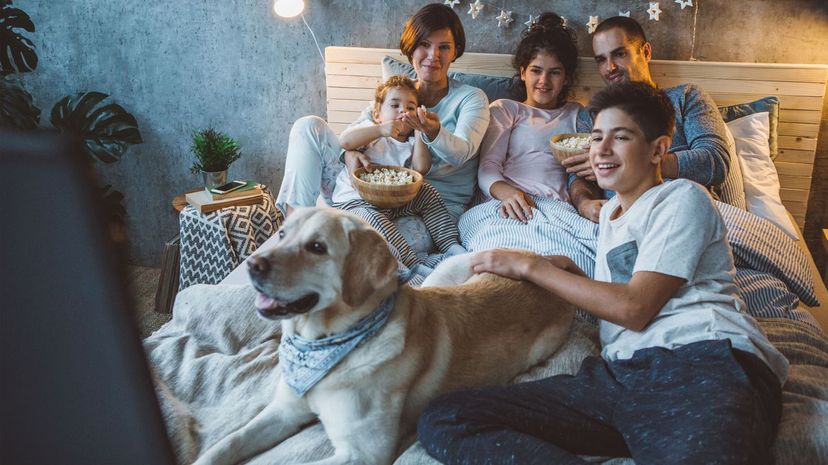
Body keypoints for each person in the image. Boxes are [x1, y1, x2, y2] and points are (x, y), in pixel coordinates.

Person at [417, 81, 788, 465]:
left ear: (659, 148)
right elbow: (621, 293)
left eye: (620, 137)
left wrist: (532, 266)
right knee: (447, 417)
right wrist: (572, 271)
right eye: (596, 138)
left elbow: (635, 307)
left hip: (700, 362)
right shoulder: (610, 216)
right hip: (621, 377)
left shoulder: (680, 198)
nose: (602, 151)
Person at [276, 3, 490, 225]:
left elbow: (461, 154)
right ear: (411, 47)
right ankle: (294, 225)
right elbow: (351, 136)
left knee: (369, 242)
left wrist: (433, 131)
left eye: (444, 47)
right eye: (424, 44)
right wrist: (347, 155)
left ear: (455, 50)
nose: (433, 55)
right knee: (308, 126)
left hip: (429, 207)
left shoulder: (471, 98)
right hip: (364, 191)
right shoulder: (397, 93)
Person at [565, 16, 743, 222]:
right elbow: (578, 173)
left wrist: (636, 162)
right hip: (624, 217)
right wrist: (584, 204)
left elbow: (715, 161)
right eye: (601, 60)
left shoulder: (686, 97)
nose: (609, 67)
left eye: (619, 54)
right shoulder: (592, 115)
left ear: (646, 52)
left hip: (688, 211)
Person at [331, 75, 464, 273]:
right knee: (375, 222)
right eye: (394, 105)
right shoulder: (371, 132)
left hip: (394, 201)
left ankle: (450, 245)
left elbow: (420, 168)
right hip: (356, 202)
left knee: (428, 192)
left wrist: (420, 131)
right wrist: (380, 129)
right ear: (377, 114)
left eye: (410, 108)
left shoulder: (409, 144)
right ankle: (413, 265)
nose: (403, 110)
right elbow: (345, 142)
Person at [476, 12, 582, 223]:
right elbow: (488, 166)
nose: (544, 80)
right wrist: (508, 193)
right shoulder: (506, 109)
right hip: (508, 200)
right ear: (523, 72)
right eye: (536, 71)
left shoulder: (578, 114)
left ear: (566, 78)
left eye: (555, 72)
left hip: (558, 209)